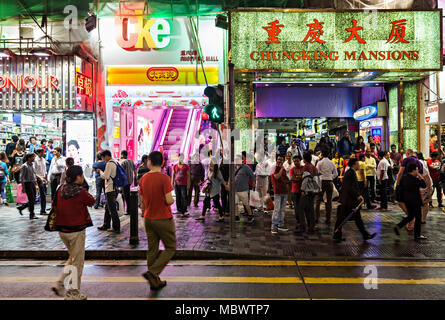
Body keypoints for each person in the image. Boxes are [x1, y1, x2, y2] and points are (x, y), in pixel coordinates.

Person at [51, 165, 95, 300]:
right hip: (76, 231)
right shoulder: (80, 192)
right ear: (77, 177)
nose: (83, 177)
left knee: (72, 258)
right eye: (81, 175)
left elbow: (54, 205)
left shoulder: (60, 189)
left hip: (62, 230)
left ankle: (60, 283)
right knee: (78, 262)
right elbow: (92, 201)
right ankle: (73, 293)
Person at [139, 151, 176, 290]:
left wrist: (145, 212)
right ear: (162, 163)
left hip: (148, 218)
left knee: (152, 250)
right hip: (163, 218)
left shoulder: (143, 179)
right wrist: (171, 200)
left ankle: (154, 281)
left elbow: (142, 202)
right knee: (171, 247)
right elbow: (168, 200)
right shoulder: (164, 178)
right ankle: (153, 272)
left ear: (149, 162)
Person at [333, 158, 377, 242]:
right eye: (357, 163)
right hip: (349, 201)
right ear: (353, 164)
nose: (359, 165)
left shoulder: (350, 172)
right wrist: (357, 195)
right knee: (343, 218)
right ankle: (337, 234)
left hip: (348, 200)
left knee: (355, 218)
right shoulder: (351, 173)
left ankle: (364, 235)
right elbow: (350, 187)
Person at [394, 163, 428, 241]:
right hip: (415, 200)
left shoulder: (404, 178)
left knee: (411, 216)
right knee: (418, 217)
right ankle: (417, 235)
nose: (417, 170)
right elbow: (424, 185)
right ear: (413, 170)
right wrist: (420, 177)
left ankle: (398, 226)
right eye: (416, 169)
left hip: (407, 200)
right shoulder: (415, 179)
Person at [97, 150, 120, 233]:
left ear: (106, 156)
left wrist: (100, 172)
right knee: (108, 208)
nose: (103, 159)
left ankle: (116, 227)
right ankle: (106, 224)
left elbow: (105, 176)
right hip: (114, 188)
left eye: (103, 158)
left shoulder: (109, 164)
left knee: (112, 209)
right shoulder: (116, 162)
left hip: (110, 189)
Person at [396, 149, 424, 216]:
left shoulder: (406, 159)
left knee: (400, 201)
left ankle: (410, 216)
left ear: (408, 153)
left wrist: (397, 183)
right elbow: (421, 174)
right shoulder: (419, 162)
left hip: (406, 183)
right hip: (415, 184)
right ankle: (411, 217)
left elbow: (400, 172)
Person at [297, 151, 319, 234]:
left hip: (307, 191)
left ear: (304, 159)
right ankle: (311, 227)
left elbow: (306, 179)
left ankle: (303, 226)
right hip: (313, 191)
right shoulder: (314, 167)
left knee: (301, 208)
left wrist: (303, 189)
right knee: (311, 209)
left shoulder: (306, 167)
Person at [315, 149, 338, 225]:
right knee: (329, 201)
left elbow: (316, 173)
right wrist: (330, 176)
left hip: (321, 182)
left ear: (322, 155)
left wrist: (321, 177)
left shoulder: (320, 163)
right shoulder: (332, 163)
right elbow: (336, 174)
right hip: (329, 182)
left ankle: (316, 218)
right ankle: (328, 219)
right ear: (328, 154)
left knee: (318, 201)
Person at [271, 155, 289, 234]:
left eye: (281, 160)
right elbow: (277, 177)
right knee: (277, 209)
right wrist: (281, 168)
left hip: (284, 191)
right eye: (278, 160)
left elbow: (286, 179)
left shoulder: (284, 170)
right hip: (277, 192)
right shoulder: (274, 168)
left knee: (282, 210)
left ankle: (280, 224)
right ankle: (274, 226)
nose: (280, 161)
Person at [17, 153, 39, 219]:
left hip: (32, 183)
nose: (34, 158)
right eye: (33, 157)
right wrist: (23, 187)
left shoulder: (32, 165)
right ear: (29, 158)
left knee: (33, 199)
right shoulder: (24, 166)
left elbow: (33, 175)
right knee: (31, 199)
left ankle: (21, 207)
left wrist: (36, 184)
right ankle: (32, 214)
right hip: (27, 184)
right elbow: (22, 177)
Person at [234, 155, 255, 223]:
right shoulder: (233, 167)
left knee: (246, 203)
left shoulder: (245, 167)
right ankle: (236, 216)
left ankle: (250, 215)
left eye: (238, 159)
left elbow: (252, 175)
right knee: (235, 203)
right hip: (235, 189)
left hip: (243, 189)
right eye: (235, 159)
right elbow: (230, 177)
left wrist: (253, 182)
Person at [416, 152, 433, 225]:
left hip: (425, 186)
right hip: (421, 186)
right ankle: (420, 218)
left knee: (424, 203)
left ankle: (423, 219)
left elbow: (427, 178)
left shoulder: (420, 164)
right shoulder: (418, 163)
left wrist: (429, 189)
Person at [120, 150, 137, 215]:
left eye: (121, 154)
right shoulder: (131, 161)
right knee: (126, 195)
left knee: (126, 196)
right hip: (130, 180)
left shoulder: (123, 162)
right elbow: (135, 170)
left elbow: (121, 172)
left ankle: (128, 210)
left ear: (123, 155)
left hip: (124, 181)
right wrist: (135, 177)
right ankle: (126, 209)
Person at [290, 155, 304, 231]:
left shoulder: (303, 168)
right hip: (294, 191)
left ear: (300, 161)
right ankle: (298, 221)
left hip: (302, 191)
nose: (296, 162)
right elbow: (292, 179)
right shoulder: (292, 169)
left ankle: (302, 221)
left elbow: (304, 178)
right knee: (296, 208)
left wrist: (297, 177)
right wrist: (300, 177)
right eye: (294, 161)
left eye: (297, 161)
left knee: (302, 207)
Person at [33, 148, 48, 215]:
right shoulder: (35, 160)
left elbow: (45, 170)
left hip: (43, 179)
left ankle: (43, 210)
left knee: (43, 195)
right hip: (38, 179)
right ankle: (42, 210)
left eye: (43, 152)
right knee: (42, 194)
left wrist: (46, 178)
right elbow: (33, 171)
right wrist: (40, 178)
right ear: (38, 153)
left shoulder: (43, 159)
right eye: (42, 152)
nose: (43, 153)